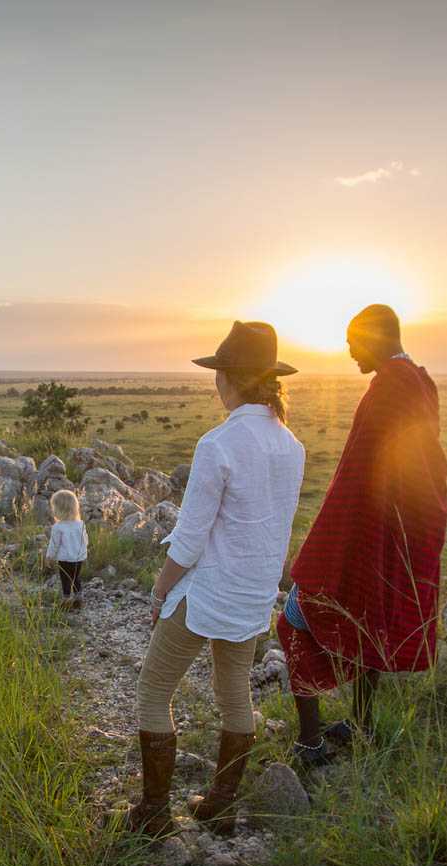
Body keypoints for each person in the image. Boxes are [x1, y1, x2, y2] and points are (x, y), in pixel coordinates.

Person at [125, 321, 305, 837]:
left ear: (227, 378)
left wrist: (161, 590)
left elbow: (189, 539)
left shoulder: (218, 443)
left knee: (153, 691)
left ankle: (155, 814)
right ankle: (220, 804)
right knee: (234, 694)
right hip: (253, 595)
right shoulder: (291, 446)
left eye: (218, 374)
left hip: (208, 592)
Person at [278, 304, 447, 768]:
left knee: (294, 618)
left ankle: (310, 744)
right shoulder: (418, 379)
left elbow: (360, 476)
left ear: (373, 338)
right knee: (369, 630)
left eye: (353, 342)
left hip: (369, 534)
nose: (349, 352)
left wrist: (326, 547)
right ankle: (362, 725)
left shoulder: (390, 387)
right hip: (395, 535)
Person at [45, 489, 88, 610]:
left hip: (64, 559)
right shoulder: (81, 524)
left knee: (66, 579)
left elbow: (54, 544)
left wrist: (49, 556)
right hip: (78, 558)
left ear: (59, 510)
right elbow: (85, 541)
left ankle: (66, 601)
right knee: (76, 578)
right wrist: (82, 553)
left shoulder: (58, 527)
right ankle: (79, 599)